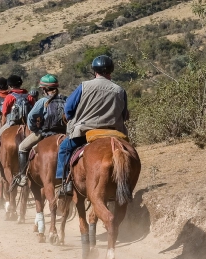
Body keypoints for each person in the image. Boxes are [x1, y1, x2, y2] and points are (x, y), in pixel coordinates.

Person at [56, 55, 129, 196]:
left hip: (85, 133)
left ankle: (65, 183)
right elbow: (124, 115)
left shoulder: (84, 86)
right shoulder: (120, 90)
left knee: (64, 148)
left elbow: (68, 110)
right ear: (111, 71)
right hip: (114, 133)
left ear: (94, 70)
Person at [16, 74, 67, 186]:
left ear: (44, 89)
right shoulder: (65, 99)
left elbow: (31, 117)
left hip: (45, 133)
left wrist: (35, 129)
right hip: (64, 134)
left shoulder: (42, 101)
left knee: (22, 147)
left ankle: (23, 176)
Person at [0, 75, 36, 168]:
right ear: (21, 84)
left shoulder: (10, 97)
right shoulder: (29, 96)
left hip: (12, 122)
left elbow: (4, 113)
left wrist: (3, 124)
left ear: (10, 85)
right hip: (28, 124)